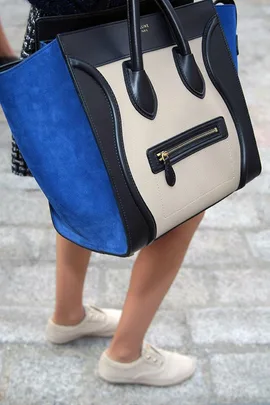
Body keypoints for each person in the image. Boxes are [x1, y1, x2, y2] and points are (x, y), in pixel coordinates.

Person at [14, 0, 204, 387]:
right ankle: (126, 355)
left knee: (76, 182)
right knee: (188, 194)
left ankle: (68, 315)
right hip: (143, 37)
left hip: (57, 41)